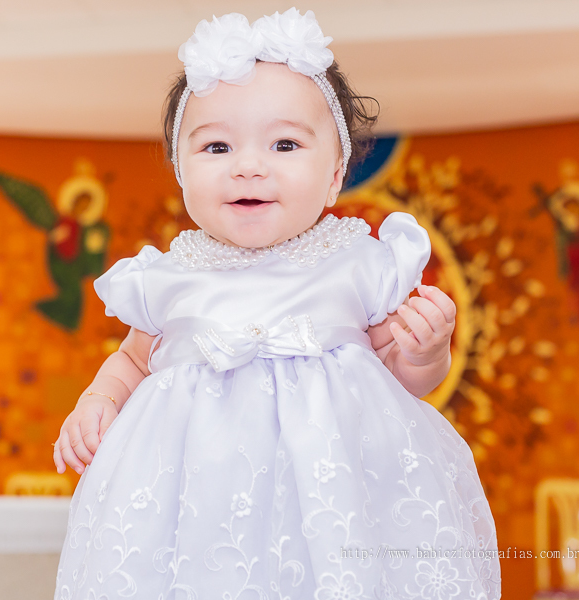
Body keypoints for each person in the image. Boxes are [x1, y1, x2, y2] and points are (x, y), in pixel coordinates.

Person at [52, 8, 501, 599]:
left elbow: (402, 381)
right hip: (197, 503)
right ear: (182, 173)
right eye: (216, 146)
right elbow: (135, 361)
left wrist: (426, 350)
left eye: (284, 143)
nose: (248, 165)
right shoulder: (172, 275)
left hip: (330, 496)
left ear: (335, 172)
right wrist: (98, 399)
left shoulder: (355, 262)